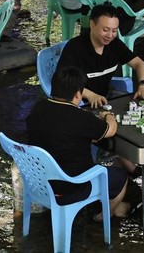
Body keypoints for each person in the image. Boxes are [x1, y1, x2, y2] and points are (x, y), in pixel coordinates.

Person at [26, 66, 130, 219]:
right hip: (72, 186)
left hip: (40, 182)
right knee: (121, 176)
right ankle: (104, 215)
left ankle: (113, 205)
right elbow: (110, 130)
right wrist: (109, 116)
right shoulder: (81, 118)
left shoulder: (38, 108)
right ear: (78, 94)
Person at [55, 4, 144, 108]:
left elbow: (139, 64)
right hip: (79, 101)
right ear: (92, 24)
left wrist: (143, 85)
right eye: (105, 30)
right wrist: (90, 95)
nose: (110, 35)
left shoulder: (114, 44)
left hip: (105, 96)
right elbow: (63, 82)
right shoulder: (75, 47)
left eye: (114, 30)